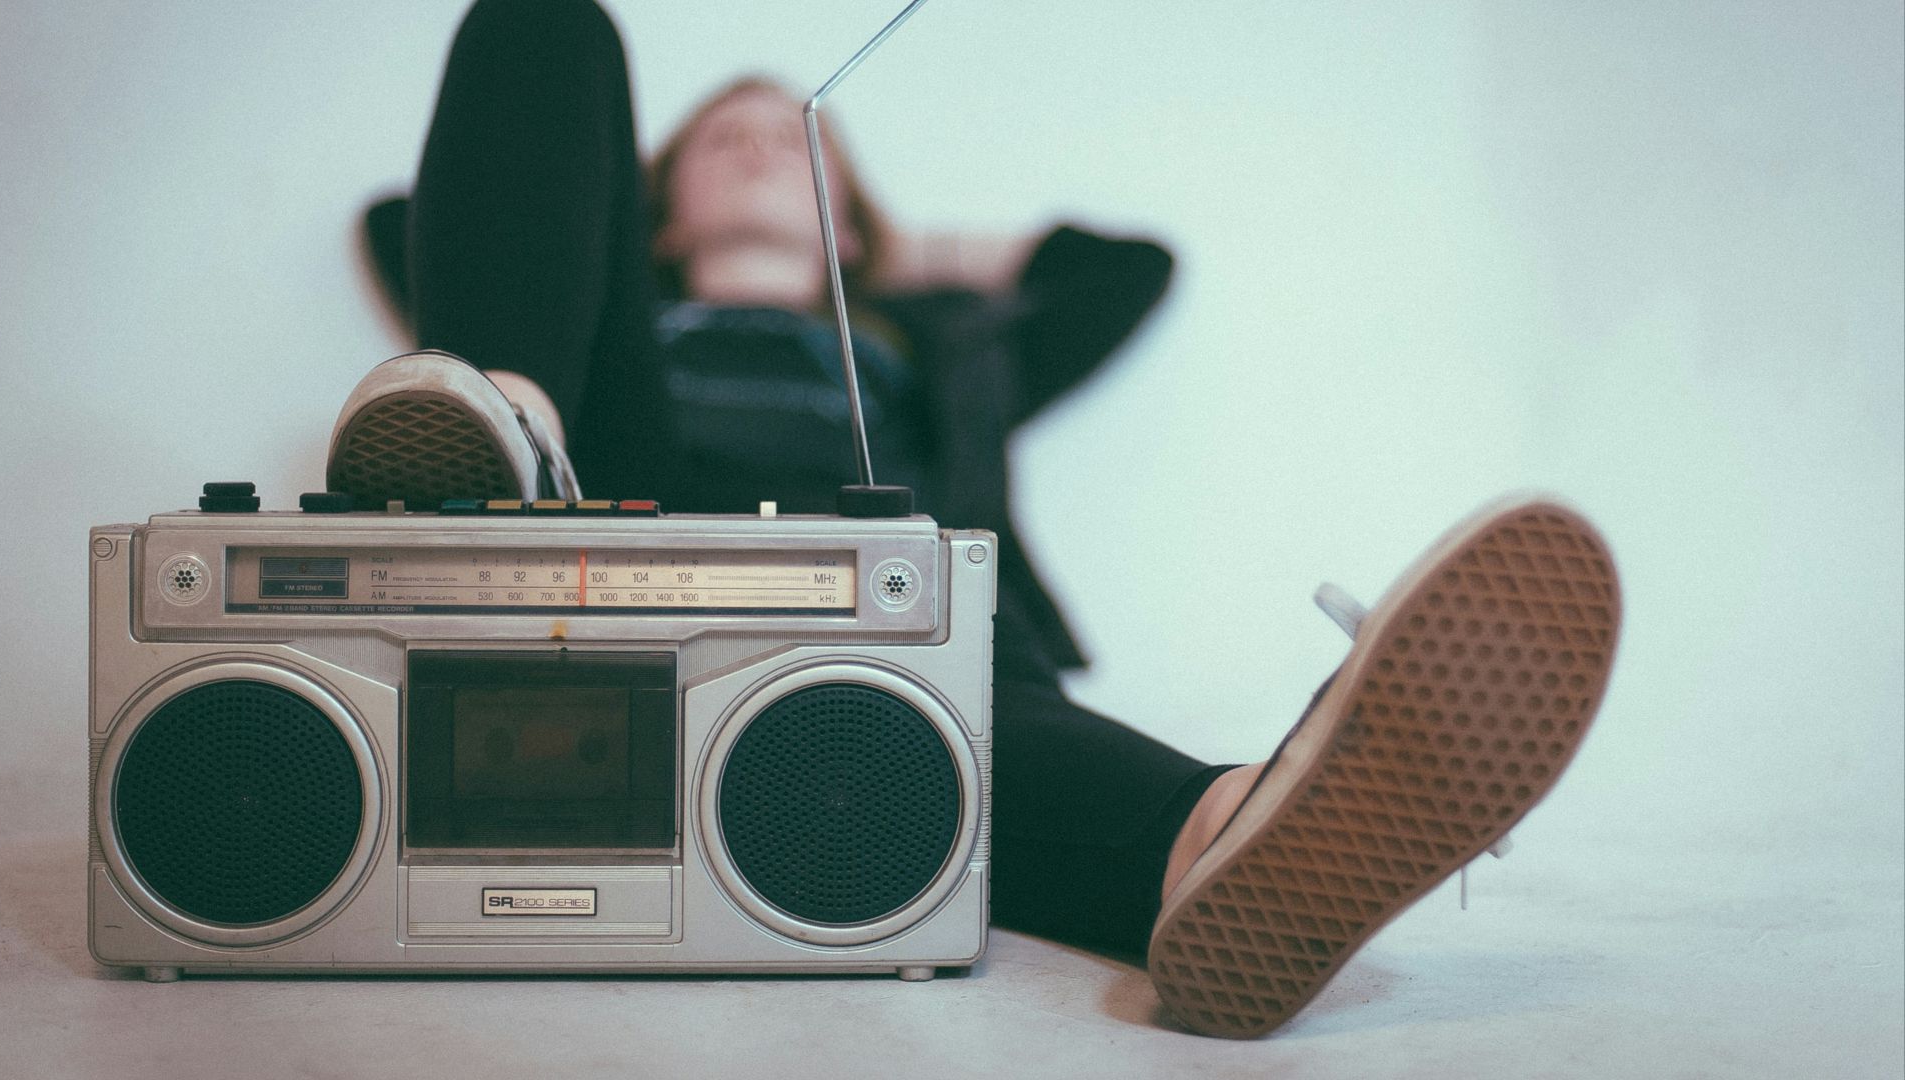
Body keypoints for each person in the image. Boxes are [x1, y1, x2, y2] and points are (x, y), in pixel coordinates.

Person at [331, 0, 1623, 1039]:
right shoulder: (611, 320)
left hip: (885, 610)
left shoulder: (943, 344)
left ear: (853, 214)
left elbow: (1125, 270)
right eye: (722, 141)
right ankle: (505, 439)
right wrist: (593, 263)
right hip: (622, 529)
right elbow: (417, 220)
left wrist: (887, 252)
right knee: (543, 18)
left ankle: (1231, 835)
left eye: (795, 143)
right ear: (653, 201)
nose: (760, 148)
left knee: (962, 680)